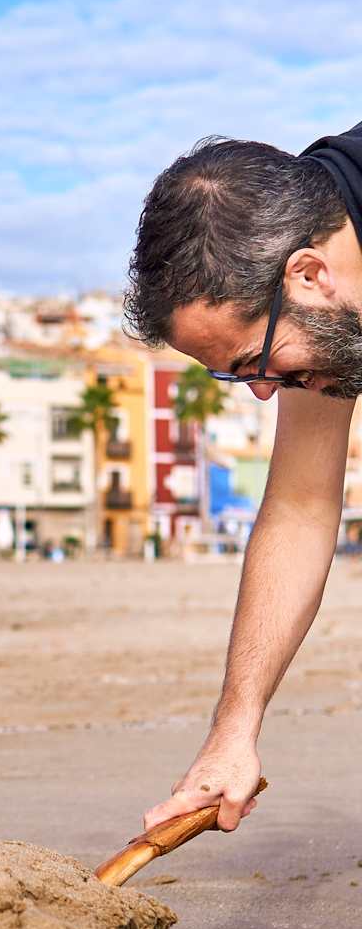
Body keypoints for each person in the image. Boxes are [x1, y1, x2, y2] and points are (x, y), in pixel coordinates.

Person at [126, 122, 362, 836]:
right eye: (232, 375)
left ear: (308, 275)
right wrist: (234, 731)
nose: (261, 393)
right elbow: (298, 506)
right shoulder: (326, 306)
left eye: (254, 363)